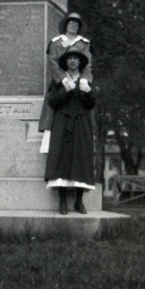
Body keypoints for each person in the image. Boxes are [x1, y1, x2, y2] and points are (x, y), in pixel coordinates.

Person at [44, 47, 96, 215]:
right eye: (69, 58)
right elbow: (51, 102)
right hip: (62, 121)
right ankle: (63, 201)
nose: (73, 61)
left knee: (80, 158)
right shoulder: (59, 80)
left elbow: (90, 105)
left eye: (75, 58)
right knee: (62, 157)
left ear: (80, 61)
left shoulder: (85, 80)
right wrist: (65, 90)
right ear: (65, 61)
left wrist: (88, 92)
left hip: (80, 122)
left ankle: (79, 202)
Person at [38, 12, 92, 139]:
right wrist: (64, 80)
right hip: (60, 83)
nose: (73, 25)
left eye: (76, 24)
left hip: (79, 80)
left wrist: (84, 80)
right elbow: (53, 64)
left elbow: (87, 64)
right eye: (71, 22)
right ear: (66, 25)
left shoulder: (84, 44)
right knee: (54, 110)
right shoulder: (56, 43)